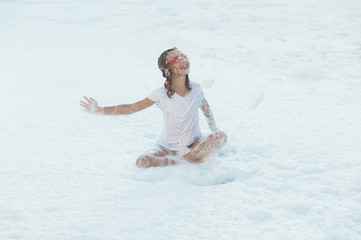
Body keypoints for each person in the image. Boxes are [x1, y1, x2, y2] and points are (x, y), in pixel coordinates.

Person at [80, 47, 227, 168]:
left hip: (193, 144)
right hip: (167, 148)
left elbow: (206, 110)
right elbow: (131, 108)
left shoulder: (197, 89)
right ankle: (183, 160)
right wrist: (99, 110)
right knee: (142, 162)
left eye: (183, 56)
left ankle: (186, 158)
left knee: (221, 137)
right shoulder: (160, 94)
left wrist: (214, 129)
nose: (183, 59)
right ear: (168, 71)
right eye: (176, 59)